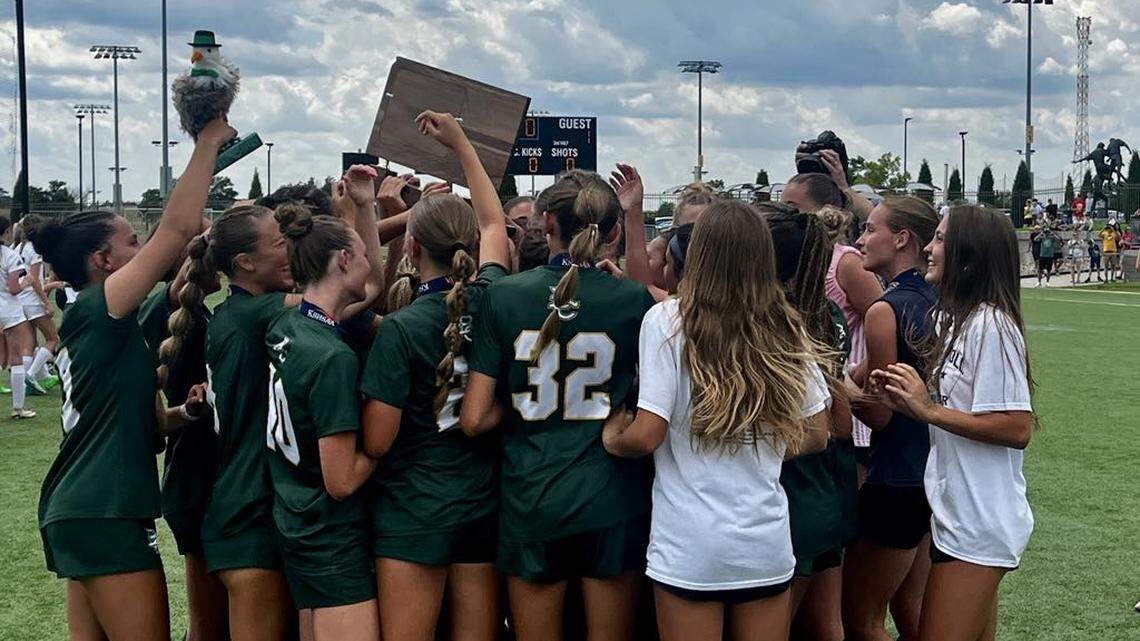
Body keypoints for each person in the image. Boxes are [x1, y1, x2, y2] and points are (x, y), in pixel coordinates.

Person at [35, 117, 232, 641]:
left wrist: (186, 413)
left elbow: (140, 424)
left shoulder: (102, 324)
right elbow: (177, 231)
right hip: (106, 509)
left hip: (82, 508)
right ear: (102, 261)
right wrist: (209, 140)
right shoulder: (100, 309)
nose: (142, 246)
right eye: (130, 242)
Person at [600, 200, 832, 641]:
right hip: (763, 541)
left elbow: (647, 434)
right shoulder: (784, 324)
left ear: (697, 253)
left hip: (690, 544)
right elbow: (818, 433)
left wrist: (614, 438)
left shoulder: (668, 321)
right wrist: (759, 445)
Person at [460, 169, 655, 641]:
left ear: (546, 223)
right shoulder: (632, 299)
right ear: (611, 231)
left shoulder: (504, 296)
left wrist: (521, 400)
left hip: (534, 496)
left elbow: (474, 418)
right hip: (611, 496)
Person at [359, 111, 511, 641]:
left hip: (413, 508)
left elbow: (378, 440)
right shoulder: (493, 299)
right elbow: (493, 225)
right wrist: (462, 143)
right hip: (480, 504)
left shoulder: (401, 328)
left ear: (411, 247)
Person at [871, 205, 1035, 641]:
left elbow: (1016, 427)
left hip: (979, 524)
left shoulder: (992, 325)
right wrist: (905, 403)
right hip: (958, 516)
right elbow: (953, 411)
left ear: (968, 253)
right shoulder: (957, 320)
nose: (928, 248)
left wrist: (927, 410)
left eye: (940, 239)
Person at [263, 161, 386, 641]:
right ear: (342, 261)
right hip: (329, 534)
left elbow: (371, 287)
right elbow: (341, 480)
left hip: (295, 520)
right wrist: (380, 446)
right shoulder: (332, 356)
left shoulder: (290, 324)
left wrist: (364, 208)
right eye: (362, 255)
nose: (367, 262)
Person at [844, 196, 940, 641]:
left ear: (901, 239)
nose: (860, 240)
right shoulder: (940, 299)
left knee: (862, 620)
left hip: (896, 473)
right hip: (933, 470)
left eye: (870, 229)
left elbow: (883, 414)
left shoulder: (885, 309)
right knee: (912, 608)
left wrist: (838, 390)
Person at [762, 204, 858, 641]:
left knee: (775, 627)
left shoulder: (776, 321)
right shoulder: (826, 312)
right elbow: (841, 422)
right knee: (825, 624)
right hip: (826, 484)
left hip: (793, 487)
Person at [138, 226, 228, 641]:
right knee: (207, 625)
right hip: (194, 474)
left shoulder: (201, 313)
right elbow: (177, 291)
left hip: (202, 468)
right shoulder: (168, 310)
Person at [0, 216, 42, 417]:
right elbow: (13, 288)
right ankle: (18, 408)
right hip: (8, 310)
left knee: (1, 356)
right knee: (16, 357)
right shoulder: (9, 255)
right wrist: (26, 282)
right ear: (7, 231)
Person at [15, 215, 60, 387]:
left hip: (20, 299)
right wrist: (46, 302)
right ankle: (31, 375)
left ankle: (37, 379)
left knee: (31, 342)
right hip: (32, 300)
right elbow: (33, 279)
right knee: (52, 338)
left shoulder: (17, 247)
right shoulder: (34, 250)